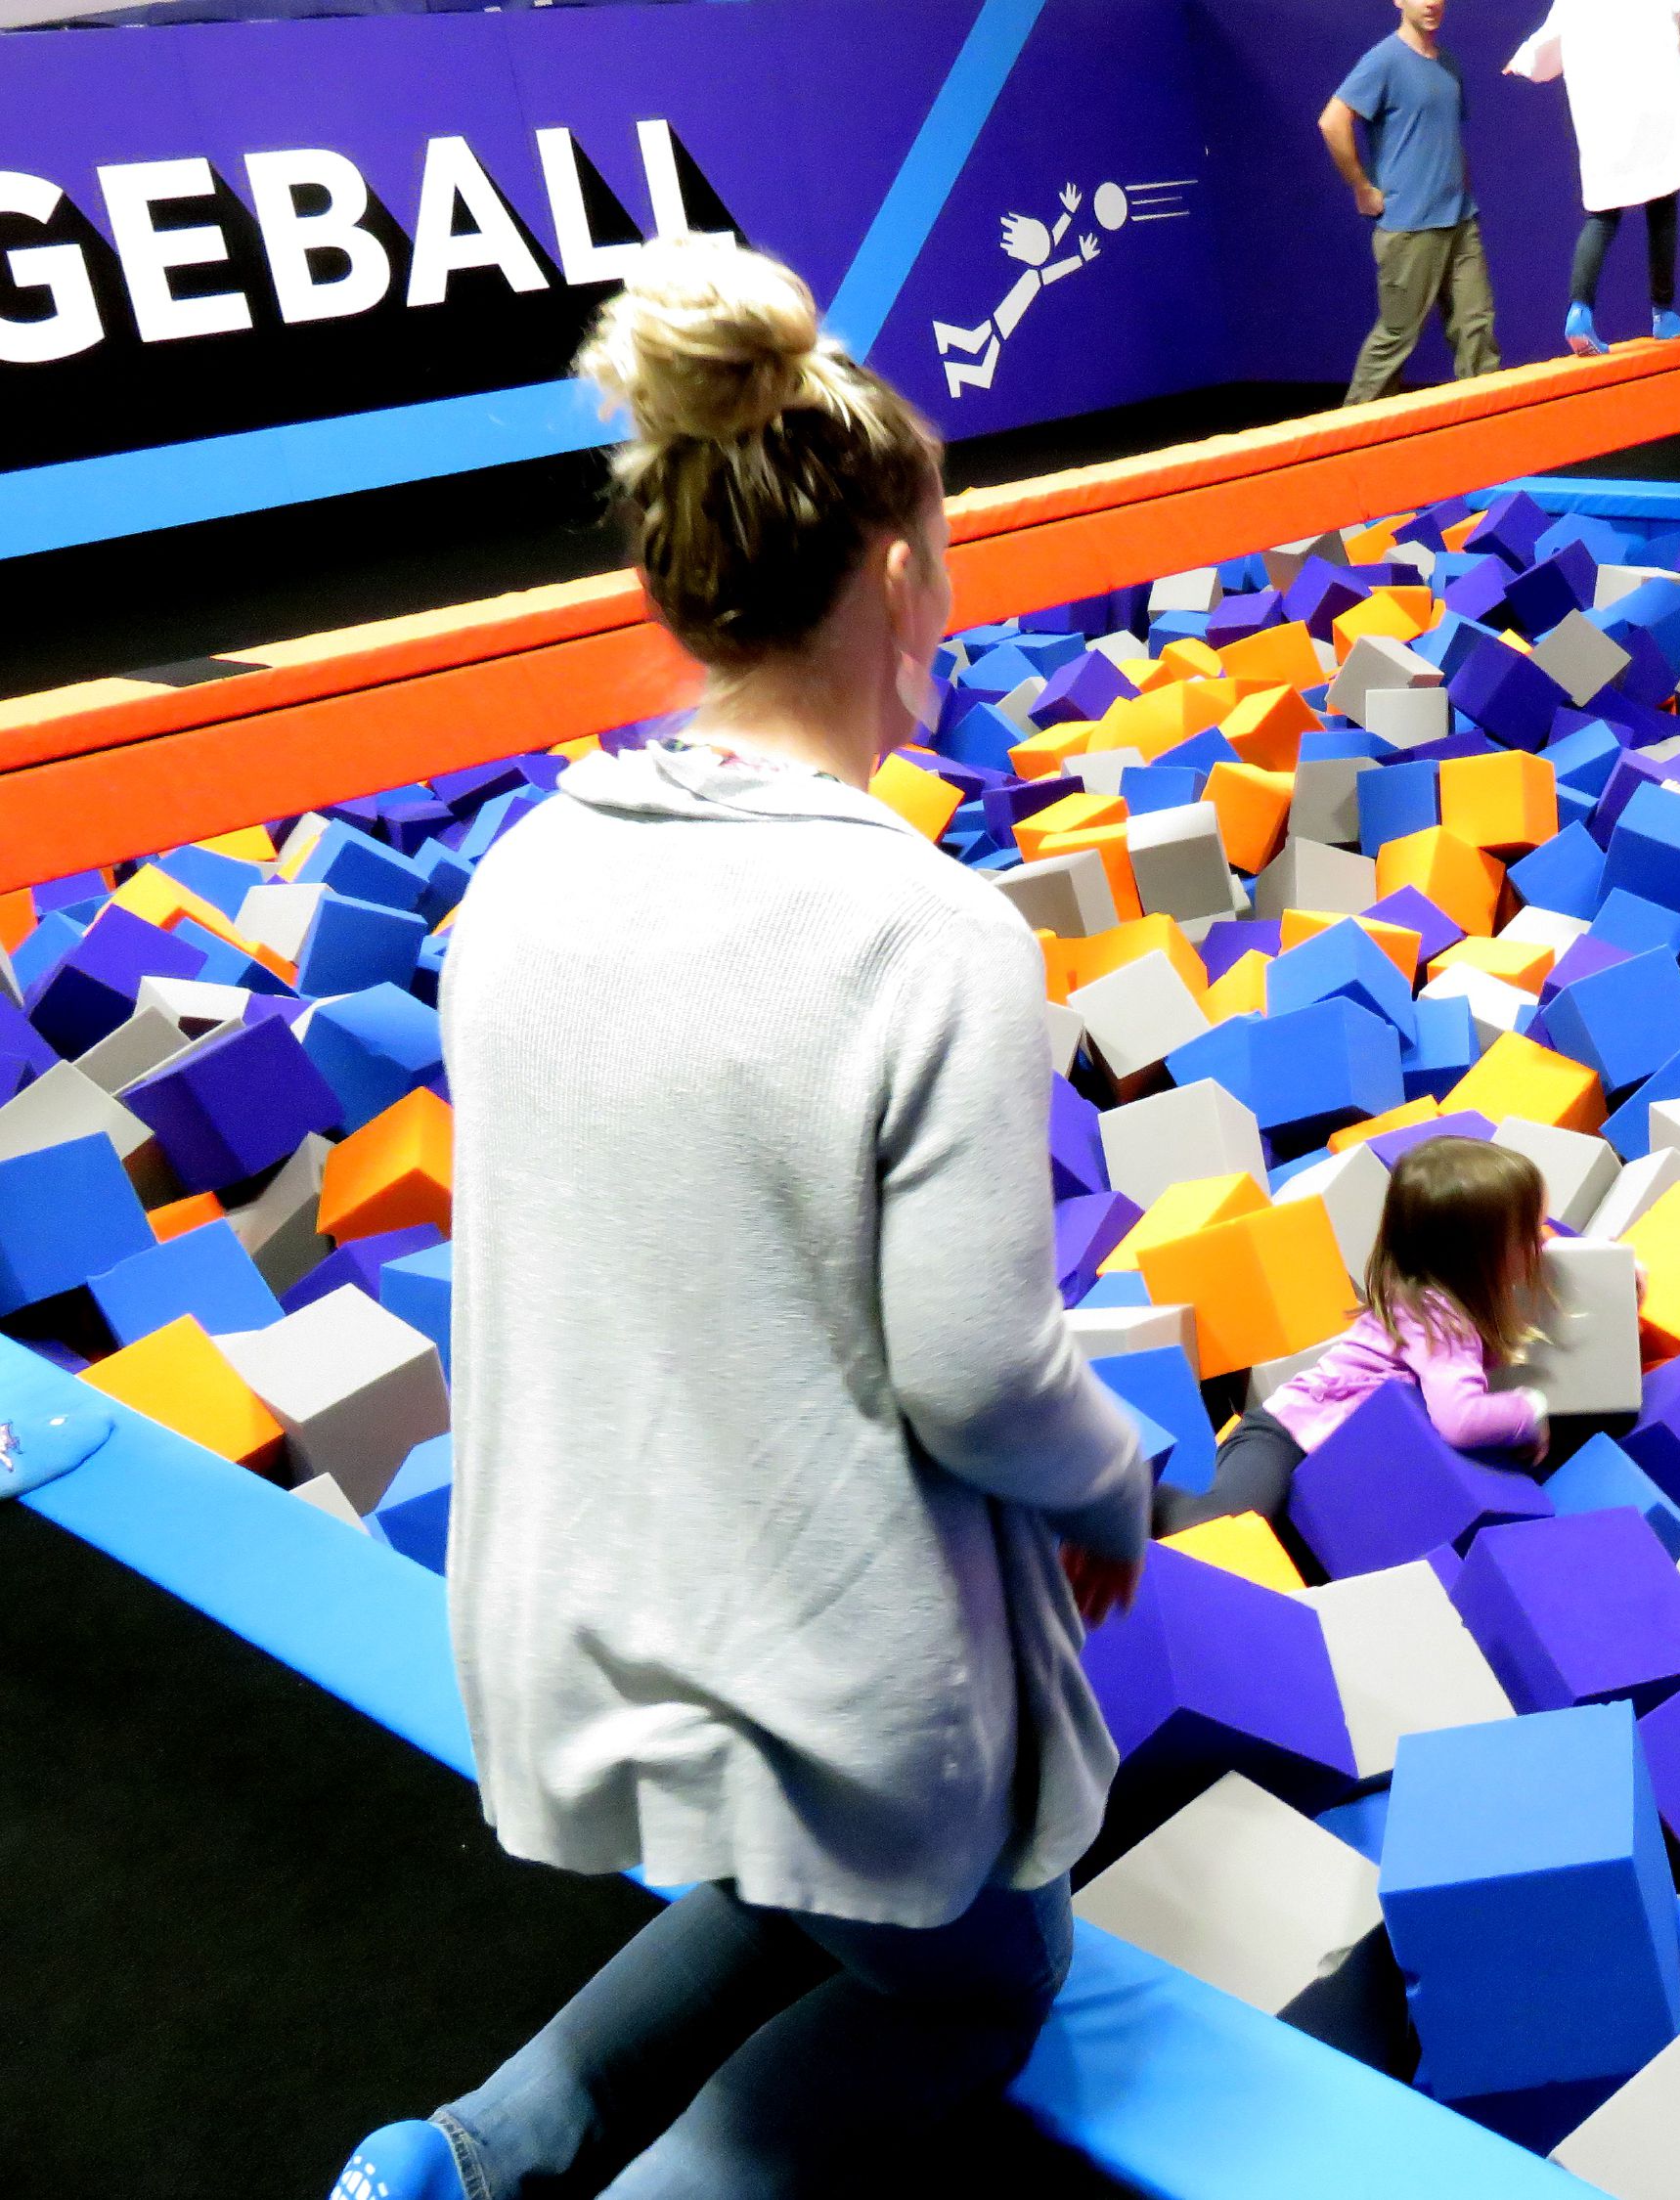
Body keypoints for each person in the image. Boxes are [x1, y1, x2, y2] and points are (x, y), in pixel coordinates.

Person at [330, 238, 1153, 2200]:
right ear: (896, 573)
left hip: (579, 1624)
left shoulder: (528, 874)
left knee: (825, 1884)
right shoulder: (925, 929)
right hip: (816, 1669)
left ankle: (472, 2145)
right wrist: (1110, 1483)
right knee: (971, 1970)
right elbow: (976, 1371)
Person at [1158, 1138, 1552, 1535]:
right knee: (1226, 1528)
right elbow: (1460, 1420)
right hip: (1285, 1437)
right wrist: (1527, 1411)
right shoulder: (1437, 1318)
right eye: (1527, 1235)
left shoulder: (1436, 1302)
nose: (1542, 1244)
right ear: (1476, 1254)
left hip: (1331, 1465)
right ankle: (1146, 1500)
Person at [1506, 0, 1680, 355]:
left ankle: (1579, 310)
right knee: (1663, 203)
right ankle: (1663, 313)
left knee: (1602, 216)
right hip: (1653, 112)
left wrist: (1524, 59)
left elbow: (1549, 39)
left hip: (1605, 123)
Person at [1323, 0, 1502, 407]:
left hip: (1460, 221)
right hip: (1408, 227)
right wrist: (1361, 187)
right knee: (1398, 336)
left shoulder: (1448, 65)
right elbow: (1332, 121)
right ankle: (1352, 438)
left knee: (1476, 329)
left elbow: (1446, 140)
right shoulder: (1384, 60)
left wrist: (1463, 193)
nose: (1431, 3)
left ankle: (1485, 429)